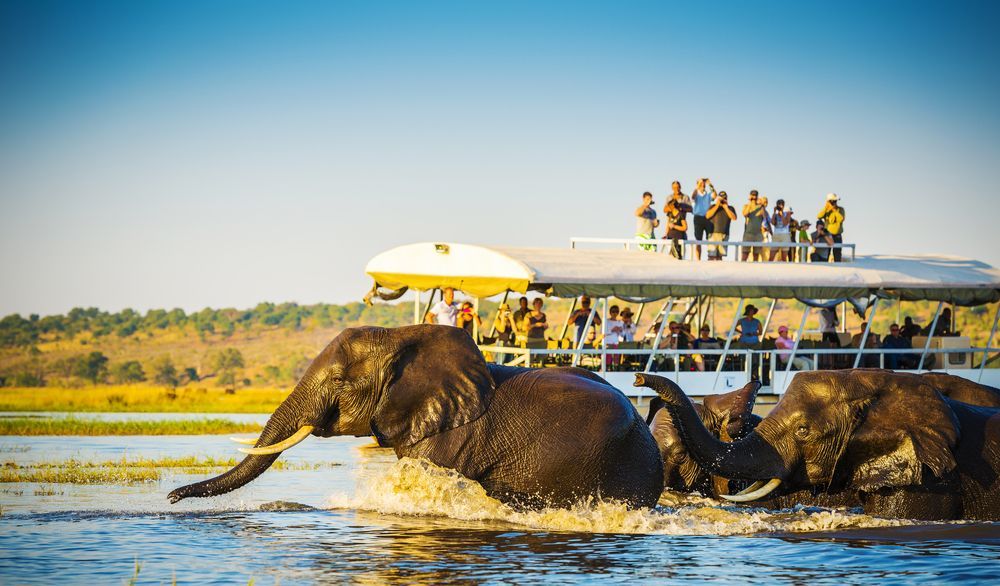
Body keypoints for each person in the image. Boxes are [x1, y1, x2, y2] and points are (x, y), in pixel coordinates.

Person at [690, 178, 717, 260]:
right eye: (701, 183)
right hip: (698, 218)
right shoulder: (695, 193)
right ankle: (698, 259)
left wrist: (710, 184)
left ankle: (710, 257)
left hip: (708, 218)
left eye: (703, 183)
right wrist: (698, 185)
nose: (703, 185)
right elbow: (693, 196)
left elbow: (715, 195)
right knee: (698, 240)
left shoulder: (708, 195)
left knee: (710, 238)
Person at [706, 191, 737, 261]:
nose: (723, 200)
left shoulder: (730, 208)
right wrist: (717, 205)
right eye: (721, 199)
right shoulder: (713, 206)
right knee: (711, 256)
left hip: (724, 235)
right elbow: (707, 216)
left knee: (720, 257)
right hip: (713, 234)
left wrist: (726, 207)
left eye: (724, 198)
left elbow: (734, 218)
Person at [818, 193, 846, 262]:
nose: (834, 203)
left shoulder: (841, 209)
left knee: (837, 253)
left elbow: (841, 219)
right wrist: (826, 208)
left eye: (835, 201)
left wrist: (834, 210)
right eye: (832, 201)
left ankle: (838, 269)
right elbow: (819, 216)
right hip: (828, 235)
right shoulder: (826, 210)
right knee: (826, 253)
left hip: (837, 235)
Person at [740, 190, 766, 262]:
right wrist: (750, 203)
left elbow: (765, 217)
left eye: (755, 195)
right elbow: (745, 214)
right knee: (745, 254)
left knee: (756, 255)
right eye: (752, 195)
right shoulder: (746, 206)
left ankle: (755, 271)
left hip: (758, 234)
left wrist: (762, 205)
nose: (754, 197)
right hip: (748, 233)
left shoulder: (760, 207)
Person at [664, 190, 689, 259]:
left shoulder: (681, 215)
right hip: (670, 238)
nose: (668, 208)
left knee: (679, 257)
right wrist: (666, 235)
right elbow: (667, 225)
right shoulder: (669, 214)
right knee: (670, 258)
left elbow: (685, 228)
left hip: (679, 238)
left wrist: (675, 226)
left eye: (669, 206)